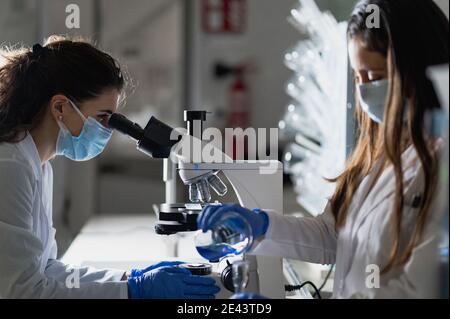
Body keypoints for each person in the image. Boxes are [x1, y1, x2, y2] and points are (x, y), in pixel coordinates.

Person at [198, 0, 449, 298]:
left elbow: (417, 291)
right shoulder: (379, 153)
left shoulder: (440, 162)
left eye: (376, 76)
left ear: (417, 69)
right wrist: (261, 226)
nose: (366, 90)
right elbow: (333, 237)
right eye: (358, 78)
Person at [0, 36, 219, 299]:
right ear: (60, 107)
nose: (107, 129)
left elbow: (47, 271)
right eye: (103, 117)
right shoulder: (10, 166)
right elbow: (23, 292)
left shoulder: (37, 164)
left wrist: (129, 279)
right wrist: (133, 291)